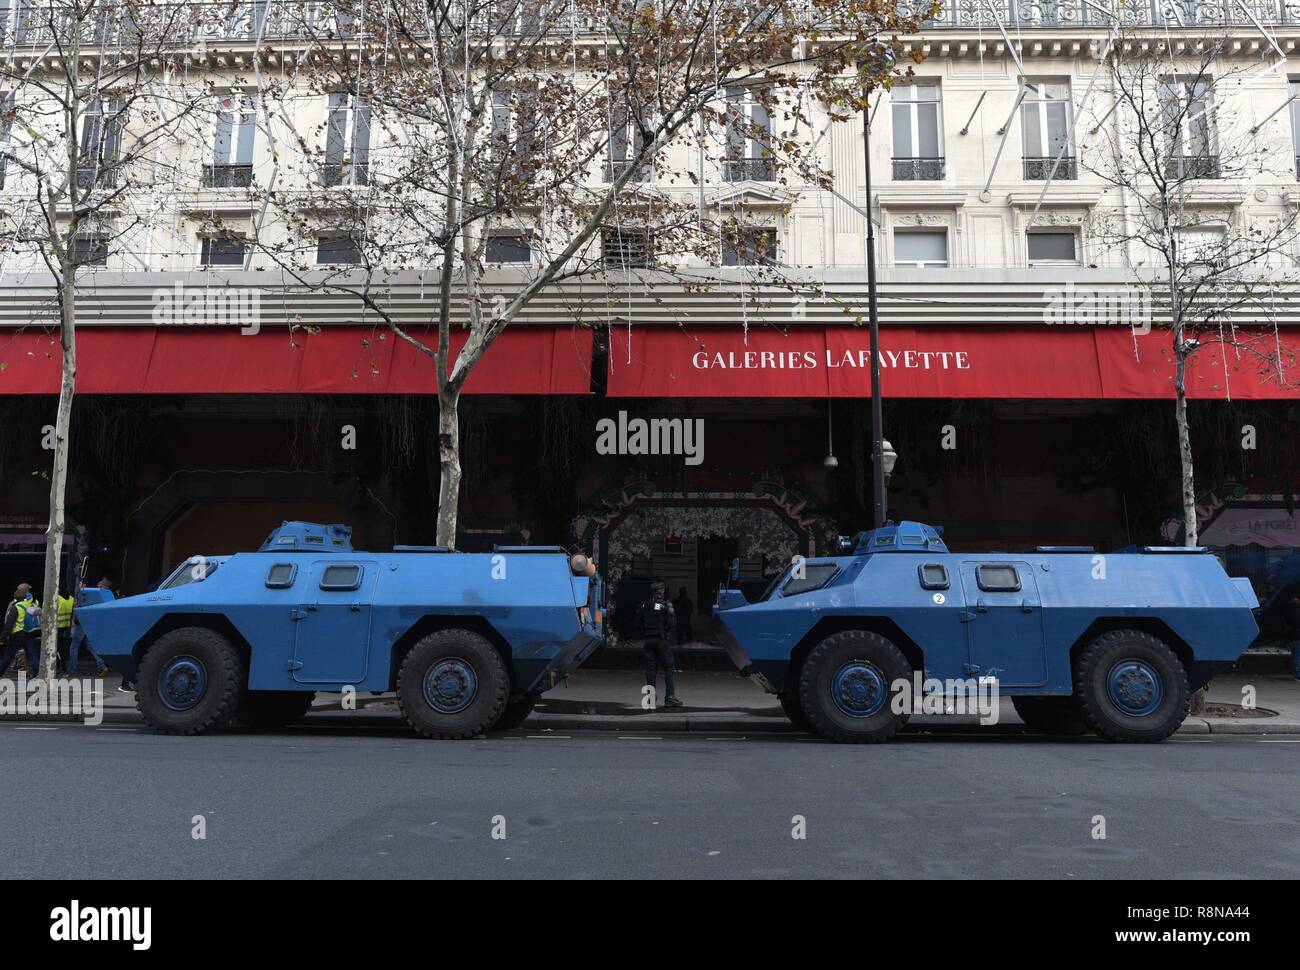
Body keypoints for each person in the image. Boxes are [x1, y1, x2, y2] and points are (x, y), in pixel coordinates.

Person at [637, 580, 681, 708]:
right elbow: (672, 624)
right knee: (669, 667)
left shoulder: (644, 605)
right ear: (661, 591)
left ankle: (650, 699)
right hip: (662, 641)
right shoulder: (666, 606)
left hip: (648, 641)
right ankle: (670, 698)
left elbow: (637, 624)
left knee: (651, 670)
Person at [1, 583, 43, 678]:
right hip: (30, 632)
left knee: (8, 655)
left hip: (17, 634)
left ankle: (1, 671)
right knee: (32, 654)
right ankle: (37, 673)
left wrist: (4, 635)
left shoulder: (15, 605)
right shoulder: (35, 602)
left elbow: (9, 621)